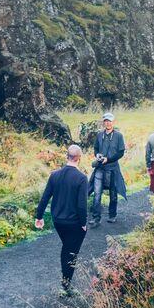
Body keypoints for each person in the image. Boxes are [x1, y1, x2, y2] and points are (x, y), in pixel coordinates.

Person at [33, 143, 92, 296]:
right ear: (79, 158)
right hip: (74, 223)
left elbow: (45, 197)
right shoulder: (81, 178)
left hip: (58, 221)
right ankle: (66, 286)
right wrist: (84, 223)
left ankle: (65, 284)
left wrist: (39, 217)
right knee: (71, 252)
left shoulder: (55, 175)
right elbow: (81, 205)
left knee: (67, 248)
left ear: (67, 156)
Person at [89, 112, 127, 224]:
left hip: (113, 168)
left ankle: (112, 215)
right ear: (103, 122)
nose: (107, 123)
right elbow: (95, 148)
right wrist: (97, 155)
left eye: (109, 121)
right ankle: (96, 218)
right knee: (96, 193)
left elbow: (121, 153)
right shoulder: (100, 135)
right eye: (105, 121)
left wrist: (108, 159)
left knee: (113, 193)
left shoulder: (119, 136)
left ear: (113, 122)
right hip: (100, 168)